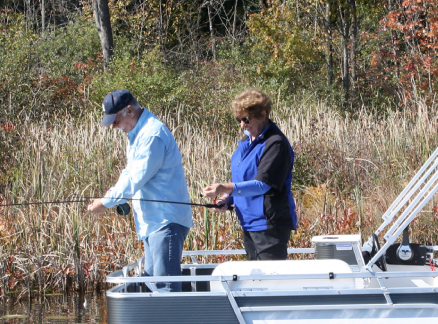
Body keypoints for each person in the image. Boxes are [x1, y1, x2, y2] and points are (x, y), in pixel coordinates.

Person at [87, 89, 192, 291]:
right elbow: (129, 173)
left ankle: (173, 323)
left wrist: (105, 204)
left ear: (129, 110)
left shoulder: (152, 135)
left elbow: (136, 179)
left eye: (115, 121)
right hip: (153, 223)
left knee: (166, 288)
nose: (114, 127)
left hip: (165, 222)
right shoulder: (137, 134)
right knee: (152, 285)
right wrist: (110, 196)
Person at [203, 89, 297, 261]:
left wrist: (225, 187)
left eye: (246, 119)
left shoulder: (275, 143)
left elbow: (262, 184)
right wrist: (227, 199)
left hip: (269, 225)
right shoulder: (247, 142)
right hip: (248, 223)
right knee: (256, 282)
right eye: (239, 119)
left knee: (269, 281)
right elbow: (241, 180)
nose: (242, 125)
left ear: (262, 114)